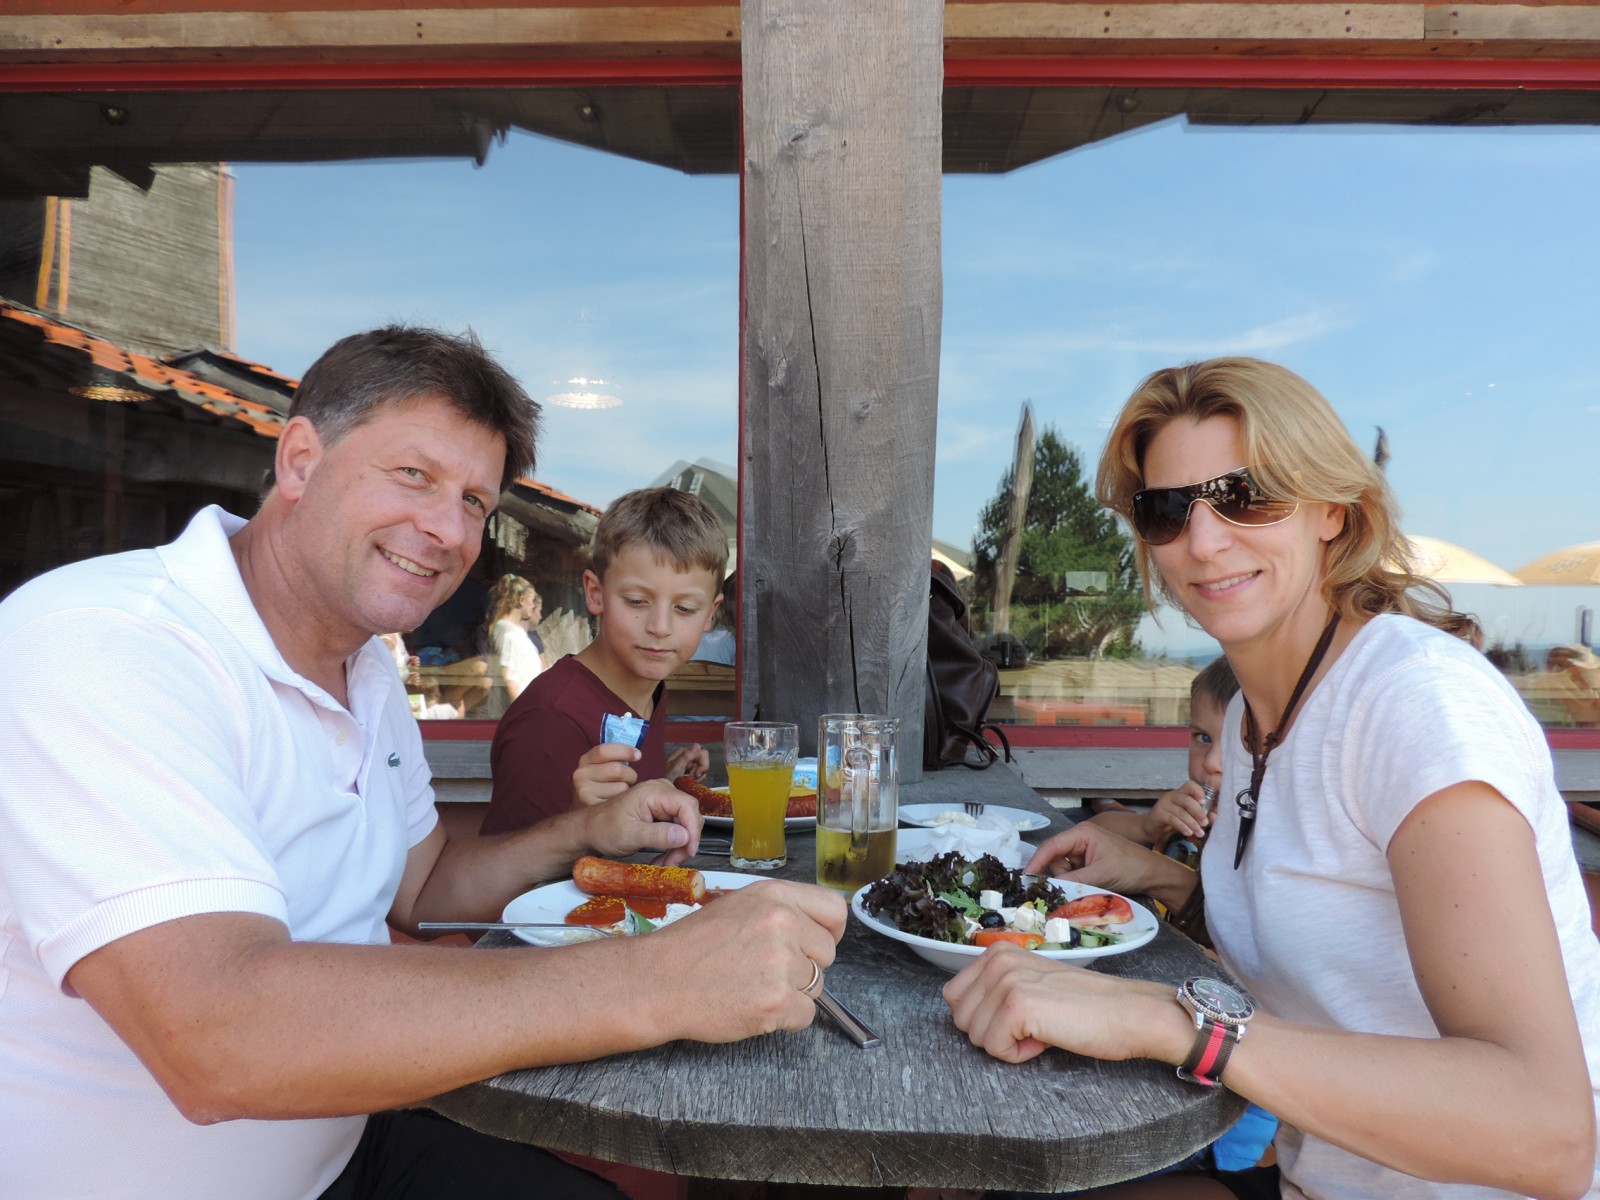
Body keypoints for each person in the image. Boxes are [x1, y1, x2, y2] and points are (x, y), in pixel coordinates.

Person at [0, 325, 846, 1200]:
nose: (447, 529)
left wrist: (586, 828)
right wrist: (661, 978)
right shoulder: (102, 644)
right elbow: (214, 1035)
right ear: (299, 460)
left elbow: (427, 885)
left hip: (349, 1148)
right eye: (414, 474)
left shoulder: (364, 665)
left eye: (475, 500)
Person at [943, 357, 1600, 1200]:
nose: (1204, 541)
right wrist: (1154, 875)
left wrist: (1170, 1022)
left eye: (1245, 496)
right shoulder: (1256, 719)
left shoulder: (1417, 706)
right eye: (1167, 509)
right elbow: (1322, 931)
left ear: (1333, 509)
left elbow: (1544, 1134)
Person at [481, 487, 724, 834]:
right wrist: (581, 820)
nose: (660, 627)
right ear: (596, 594)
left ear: (710, 614)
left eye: (684, 608)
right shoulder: (550, 721)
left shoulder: (648, 689)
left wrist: (661, 783)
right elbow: (508, 862)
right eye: (637, 601)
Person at [1086, 656, 1237, 859]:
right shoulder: (1185, 813)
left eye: (1236, 745)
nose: (1211, 763)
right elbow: (1092, 832)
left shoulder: (1274, 839)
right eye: (1204, 738)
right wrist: (1147, 827)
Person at [481, 572, 548, 713]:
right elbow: (509, 678)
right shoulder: (509, 634)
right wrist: (523, 713)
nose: (533, 606)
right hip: (522, 713)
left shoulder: (515, 632)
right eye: (531, 601)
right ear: (522, 600)